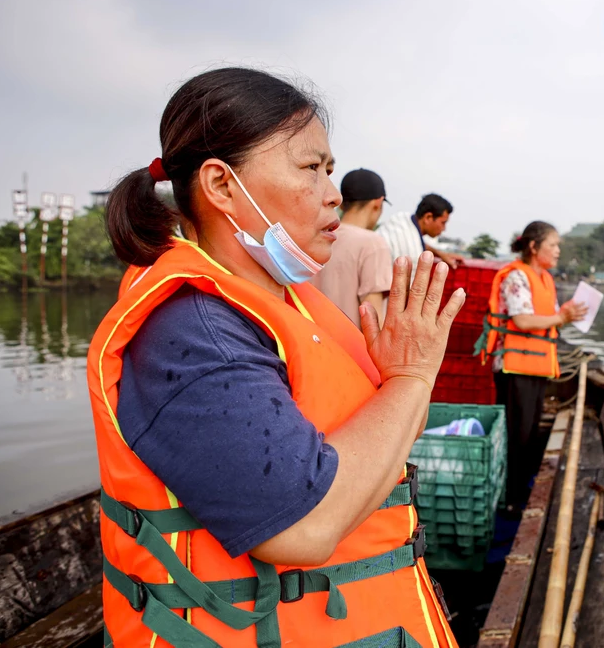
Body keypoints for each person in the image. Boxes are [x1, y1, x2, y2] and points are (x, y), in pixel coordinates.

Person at [89, 67, 463, 648]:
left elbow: (388, 437)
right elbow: (303, 528)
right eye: (310, 168)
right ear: (221, 185)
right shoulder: (195, 330)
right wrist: (412, 378)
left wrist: (403, 378)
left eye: (330, 170)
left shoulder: (290, 300)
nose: (333, 192)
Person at [481, 221, 586, 513]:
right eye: (552, 244)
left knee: (529, 433)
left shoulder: (545, 279)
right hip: (515, 367)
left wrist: (568, 316)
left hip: (536, 365)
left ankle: (521, 490)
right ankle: (510, 499)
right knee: (518, 435)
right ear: (533, 247)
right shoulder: (516, 276)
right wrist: (562, 319)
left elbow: (548, 317)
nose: (557, 250)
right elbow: (524, 321)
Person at [311, 168, 394, 329]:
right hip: (350, 350)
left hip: (311, 343)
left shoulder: (318, 236)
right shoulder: (373, 243)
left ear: (342, 204)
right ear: (378, 202)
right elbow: (373, 319)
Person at [378, 193, 462, 273]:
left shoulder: (401, 218)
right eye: (443, 223)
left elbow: (415, 241)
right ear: (428, 217)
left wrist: (440, 254)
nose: (444, 229)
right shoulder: (413, 255)